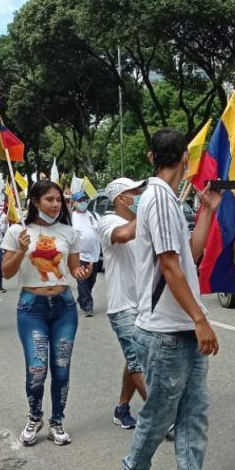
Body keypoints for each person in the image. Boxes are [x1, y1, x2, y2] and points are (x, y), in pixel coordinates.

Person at [117, 128, 233, 470]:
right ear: (186, 158)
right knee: (162, 412)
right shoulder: (159, 200)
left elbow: (188, 256)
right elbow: (168, 266)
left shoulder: (164, 200)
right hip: (166, 331)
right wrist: (201, 318)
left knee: (193, 410)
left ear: (151, 156)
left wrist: (208, 211)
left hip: (178, 327)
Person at [1, 180, 91, 446]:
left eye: (58, 200)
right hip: (32, 308)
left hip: (64, 306)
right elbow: (6, 272)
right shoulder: (17, 231)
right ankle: (35, 415)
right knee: (37, 368)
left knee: (61, 368)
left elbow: (74, 270)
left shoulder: (69, 233)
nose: (55, 205)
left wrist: (82, 273)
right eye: (49, 200)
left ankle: (57, 421)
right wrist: (20, 248)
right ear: (35, 201)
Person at [97, 177, 149, 429]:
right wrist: (149, 210)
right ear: (120, 198)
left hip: (146, 304)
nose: (140, 196)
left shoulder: (144, 225)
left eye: (141, 192)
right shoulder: (109, 221)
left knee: (133, 359)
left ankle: (122, 408)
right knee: (139, 360)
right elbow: (124, 235)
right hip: (123, 306)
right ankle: (159, 415)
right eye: (135, 192)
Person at [71, 191, 101, 317]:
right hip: (80, 256)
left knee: (91, 280)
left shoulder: (93, 216)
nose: (83, 203)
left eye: (85, 200)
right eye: (80, 200)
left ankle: (82, 298)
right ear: (74, 203)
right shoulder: (71, 218)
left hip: (94, 255)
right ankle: (87, 306)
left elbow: (101, 230)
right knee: (82, 281)